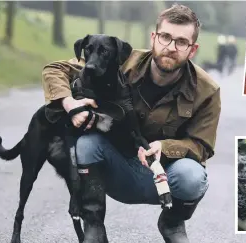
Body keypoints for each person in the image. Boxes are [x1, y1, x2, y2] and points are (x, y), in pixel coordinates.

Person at [41, 3, 221, 243]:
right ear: (154, 37)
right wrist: (68, 103)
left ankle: (172, 223)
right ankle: (93, 224)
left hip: (162, 176)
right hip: (115, 169)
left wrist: (165, 147)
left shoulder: (207, 90)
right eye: (165, 37)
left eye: (181, 41)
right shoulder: (120, 60)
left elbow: (202, 146)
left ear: (193, 49)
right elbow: (55, 69)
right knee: (87, 143)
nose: (170, 47)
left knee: (193, 176)